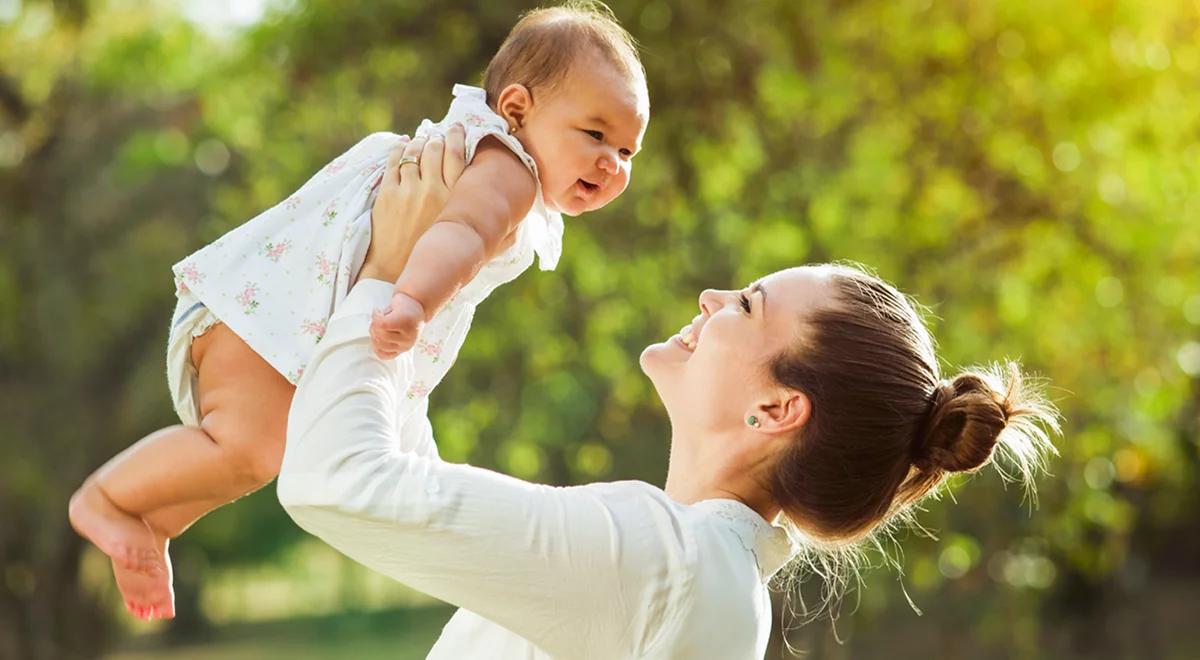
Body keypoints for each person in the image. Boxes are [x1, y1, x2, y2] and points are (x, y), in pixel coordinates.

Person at [277, 139, 1060, 659]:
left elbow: (340, 481)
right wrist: (442, 275)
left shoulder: (667, 561)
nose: (713, 296)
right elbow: (416, 486)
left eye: (748, 306)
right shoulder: (696, 568)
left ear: (777, 410)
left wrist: (385, 273)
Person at [68, 3, 650, 620]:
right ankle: (105, 500)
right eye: (594, 134)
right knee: (244, 450)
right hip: (269, 320)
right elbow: (459, 232)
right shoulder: (509, 171)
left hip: (272, 317)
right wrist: (411, 303)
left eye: (627, 149)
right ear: (516, 109)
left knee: (252, 458)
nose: (612, 162)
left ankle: (154, 520)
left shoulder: (491, 157)